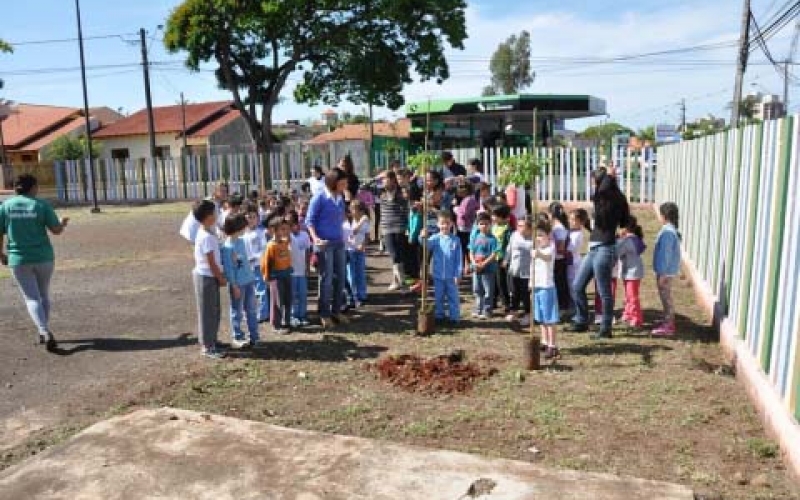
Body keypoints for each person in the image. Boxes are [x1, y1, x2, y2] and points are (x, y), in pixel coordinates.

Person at [0, 174, 69, 351]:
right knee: (43, 295)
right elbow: (56, 231)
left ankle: (44, 331)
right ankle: (43, 330)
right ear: (33, 187)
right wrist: (62, 223)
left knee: (31, 297)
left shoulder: (5, 206)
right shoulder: (41, 204)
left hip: (19, 258)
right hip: (44, 257)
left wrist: (1, 254)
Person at [569, 167, 631, 339]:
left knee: (604, 292)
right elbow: (625, 222)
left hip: (605, 248)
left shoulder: (604, 196)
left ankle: (605, 329)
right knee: (578, 286)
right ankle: (581, 320)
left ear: (599, 181)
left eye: (593, 180)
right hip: (595, 247)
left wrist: (609, 175)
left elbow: (603, 191)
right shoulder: (617, 197)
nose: (592, 184)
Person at [306, 168, 349, 328]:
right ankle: (324, 313)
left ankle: (336, 310)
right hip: (324, 244)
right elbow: (309, 221)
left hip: (339, 242)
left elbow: (341, 216)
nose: (345, 185)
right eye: (342, 183)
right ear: (333, 183)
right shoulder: (319, 198)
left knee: (341, 278)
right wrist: (315, 238)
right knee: (326, 279)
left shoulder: (340, 197)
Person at [191, 199, 227, 359]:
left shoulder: (209, 231)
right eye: (214, 212)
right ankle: (207, 346)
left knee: (214, 310)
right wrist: (220, 278)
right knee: (207, 312)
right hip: (206, 277)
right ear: (208, 216)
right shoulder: (206, 236)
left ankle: (212, 339)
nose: (217, 214)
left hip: (210, 277)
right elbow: (211, 262)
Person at [221, 214, 260, 349]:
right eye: (243, 226)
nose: (245, 228)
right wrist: (234, 285)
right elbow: (229, 270)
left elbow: (246, 263)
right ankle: (237, 337)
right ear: (237, 227)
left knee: (252, 310)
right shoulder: (227, 247)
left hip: (249, 281)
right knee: (236, 312)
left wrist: (253, 280)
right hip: (238, 285)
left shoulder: (241, 241)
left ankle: (254, 336)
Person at [420, 211, 463, 325]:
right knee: (438, 297)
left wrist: (458, 274)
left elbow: (459, 259)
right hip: (438, 275)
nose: (445, 226)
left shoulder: (456, 240)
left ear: (451, 224)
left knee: (453, 297)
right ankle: (439, 315)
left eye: (447, 223)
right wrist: (423, 237)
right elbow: (426, 245)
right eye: (442, 223)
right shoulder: (435, 238)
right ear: (438, 225)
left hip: (451, 276)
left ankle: (454, 317)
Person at [530, 218, 561, 360]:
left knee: (549, 319)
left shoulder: (551, 247)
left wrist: (539, 254)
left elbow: (548, 258)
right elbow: (533, 269)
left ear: (549, 235)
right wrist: (530, 283)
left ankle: (552, 345)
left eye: (542, 235)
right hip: (537, 287)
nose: (539, 238)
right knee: (541, 318)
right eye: (537, 235)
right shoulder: (535, 250)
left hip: (547, 287)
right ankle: (543, 341)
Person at [652, 202, 682, 336]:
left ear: (664, 216)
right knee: (665, 297)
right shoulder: (669, 230)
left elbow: (666, 254)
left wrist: (662, 273)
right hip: (666, 271)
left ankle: (669, 325)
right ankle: (667, 319)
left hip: (665, 272)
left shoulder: (668, 233)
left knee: (666, 298)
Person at [261, 217, 293, 334]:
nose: (285, 231)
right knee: (277, 301)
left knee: (287, 298)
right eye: (282, 229)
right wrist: (267, 276)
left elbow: (289, 239)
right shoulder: (271, 245)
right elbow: (266, 262)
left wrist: (287, 230)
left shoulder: (284, 242)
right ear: (274, 230)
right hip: (276, 277)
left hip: (287, 274)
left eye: (286, 229)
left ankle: (287, 321)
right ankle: (276, 325)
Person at [379, 171, 409, 291]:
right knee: (394, 255)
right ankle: (402, 283)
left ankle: (397, 281)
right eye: (382, 180)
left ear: (392, 180)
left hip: (399, 227)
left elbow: (407, 199)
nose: (382, 181)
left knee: (399, 255)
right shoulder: (380, 191)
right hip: (386, 228)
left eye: (384, 179)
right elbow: (363, 187)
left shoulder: (401, 191)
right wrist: (377, 177)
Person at [617, 216, 646, 328]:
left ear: (625, 228)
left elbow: (618, 251)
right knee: (628, 295)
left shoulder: (627, 241)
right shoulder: (635, 239)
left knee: (632, 296)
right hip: (632, 271)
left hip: (631, 272)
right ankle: (628, 313)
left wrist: (619, 239)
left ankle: (636, 318)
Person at [242, 205, 270, 323]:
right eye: (248, 217)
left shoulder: (261, 233)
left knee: (261, 290)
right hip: (245, 267)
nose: (251, 219)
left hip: (258, 266)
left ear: (258, 218)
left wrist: (254, 259)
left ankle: (263, 314)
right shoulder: (242, 234)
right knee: (248, 291)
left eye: (253, 217)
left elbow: (264, 250)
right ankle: (249, 312)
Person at [469, 212, 499, 319]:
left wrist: (484, 263)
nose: (484, 226)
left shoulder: (493, 239)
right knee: (477, 289)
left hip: (488, 269)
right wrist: (473, 262)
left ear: (490, 224)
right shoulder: (475, 237)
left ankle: (487, 310)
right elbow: (471, 251)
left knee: (488, 290)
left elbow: (494, 254)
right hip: (476, 268)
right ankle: (478, 309)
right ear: (477, 225)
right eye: (481, 223)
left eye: (486, 224)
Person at [505, 216, 533, 323]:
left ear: (529, 228)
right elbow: (509, 248)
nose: (519, 228)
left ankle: (528, 314)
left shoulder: (533, 238)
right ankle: (514, 311)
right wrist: (506, 260)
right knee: (514, 292)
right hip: (514, 268)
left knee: (525, 293)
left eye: (522, 226)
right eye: (518, 225)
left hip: (527, 271)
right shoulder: (514, 235)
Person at [288, 211, 312, 327]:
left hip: (302, 271)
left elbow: (308, 251)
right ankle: (293, 316)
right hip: (291, 272)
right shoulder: (286, 237)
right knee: (293, 295)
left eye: (294, 224)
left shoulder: (305, 235)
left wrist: (308, 267)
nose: (293, 227)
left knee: (302, 294)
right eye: (290, 225)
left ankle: (302, 315)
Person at [346, 201, 370, 307]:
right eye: (353, 209)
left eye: (358, 209)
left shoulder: (365, 221)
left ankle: (362, 294)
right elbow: (352, 232)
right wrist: (361, 222)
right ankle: (353, 296)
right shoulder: (349, 220)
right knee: (351, 274)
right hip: (350, 250)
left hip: (360, 250)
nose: (356, 212)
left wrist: (363, 245)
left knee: (361, 272)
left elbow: (367, 235)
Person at [549, 202, 571, 312]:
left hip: (558, 259)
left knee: (560, 283)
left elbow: (561, 246)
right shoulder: (558, 226)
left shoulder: (559, 228)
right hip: (557, 258)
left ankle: (563, 305)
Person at [454, 180, 479, 276]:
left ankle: (469, 268)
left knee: (466, 249)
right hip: (463, 227)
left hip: (466, 228)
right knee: (464, 249)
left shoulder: (469, 200)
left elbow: (463, 214)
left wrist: (456, 208)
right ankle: (467, 267)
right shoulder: (467, 199)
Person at [491, 204, 513, 312]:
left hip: (501, 258)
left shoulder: (507, 229)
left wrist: (506, 259)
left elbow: (509, 245)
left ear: (502, 216)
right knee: (493, 281)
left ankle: (506, 303)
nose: (492, 217)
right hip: (492, 258)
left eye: (495, 216)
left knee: (501, 282)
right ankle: (493, 301)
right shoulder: (493, 227)